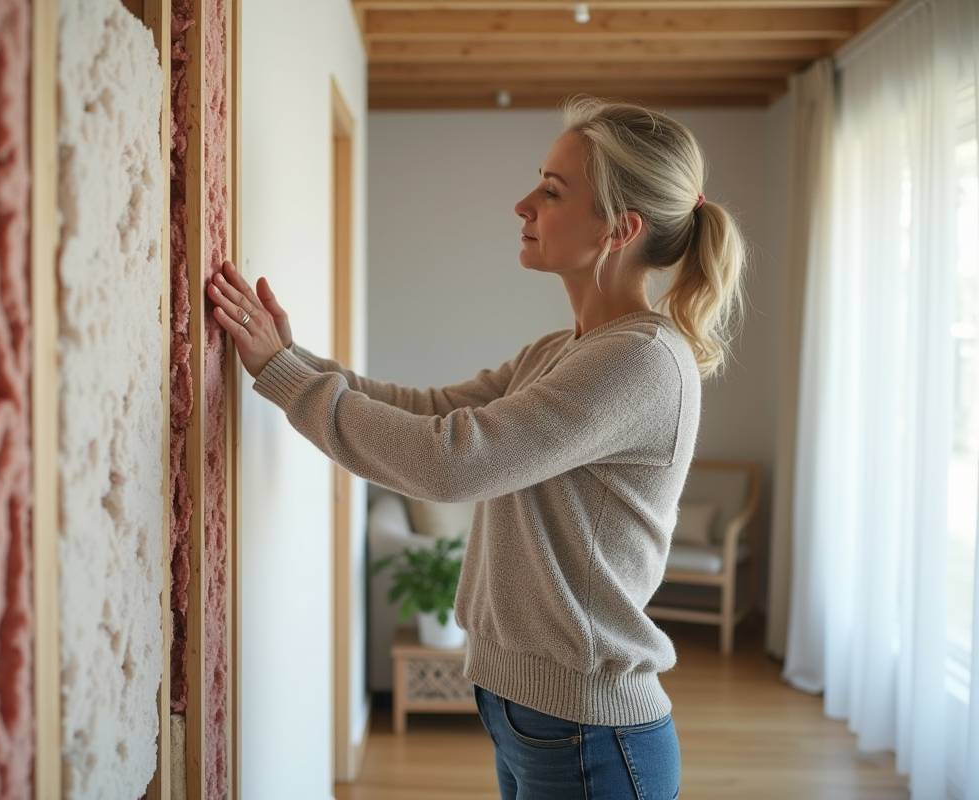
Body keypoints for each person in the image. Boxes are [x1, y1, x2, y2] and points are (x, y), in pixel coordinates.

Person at [207, 96, 745, 800]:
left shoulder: (641, 360)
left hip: (590, 732)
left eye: (551, 191)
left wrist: (283, 378)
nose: (523, 204)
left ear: (620, 228)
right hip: (532, 713)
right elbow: (431, 410)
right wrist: (291, 356)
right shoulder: (565, 350)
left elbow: (450, 460)